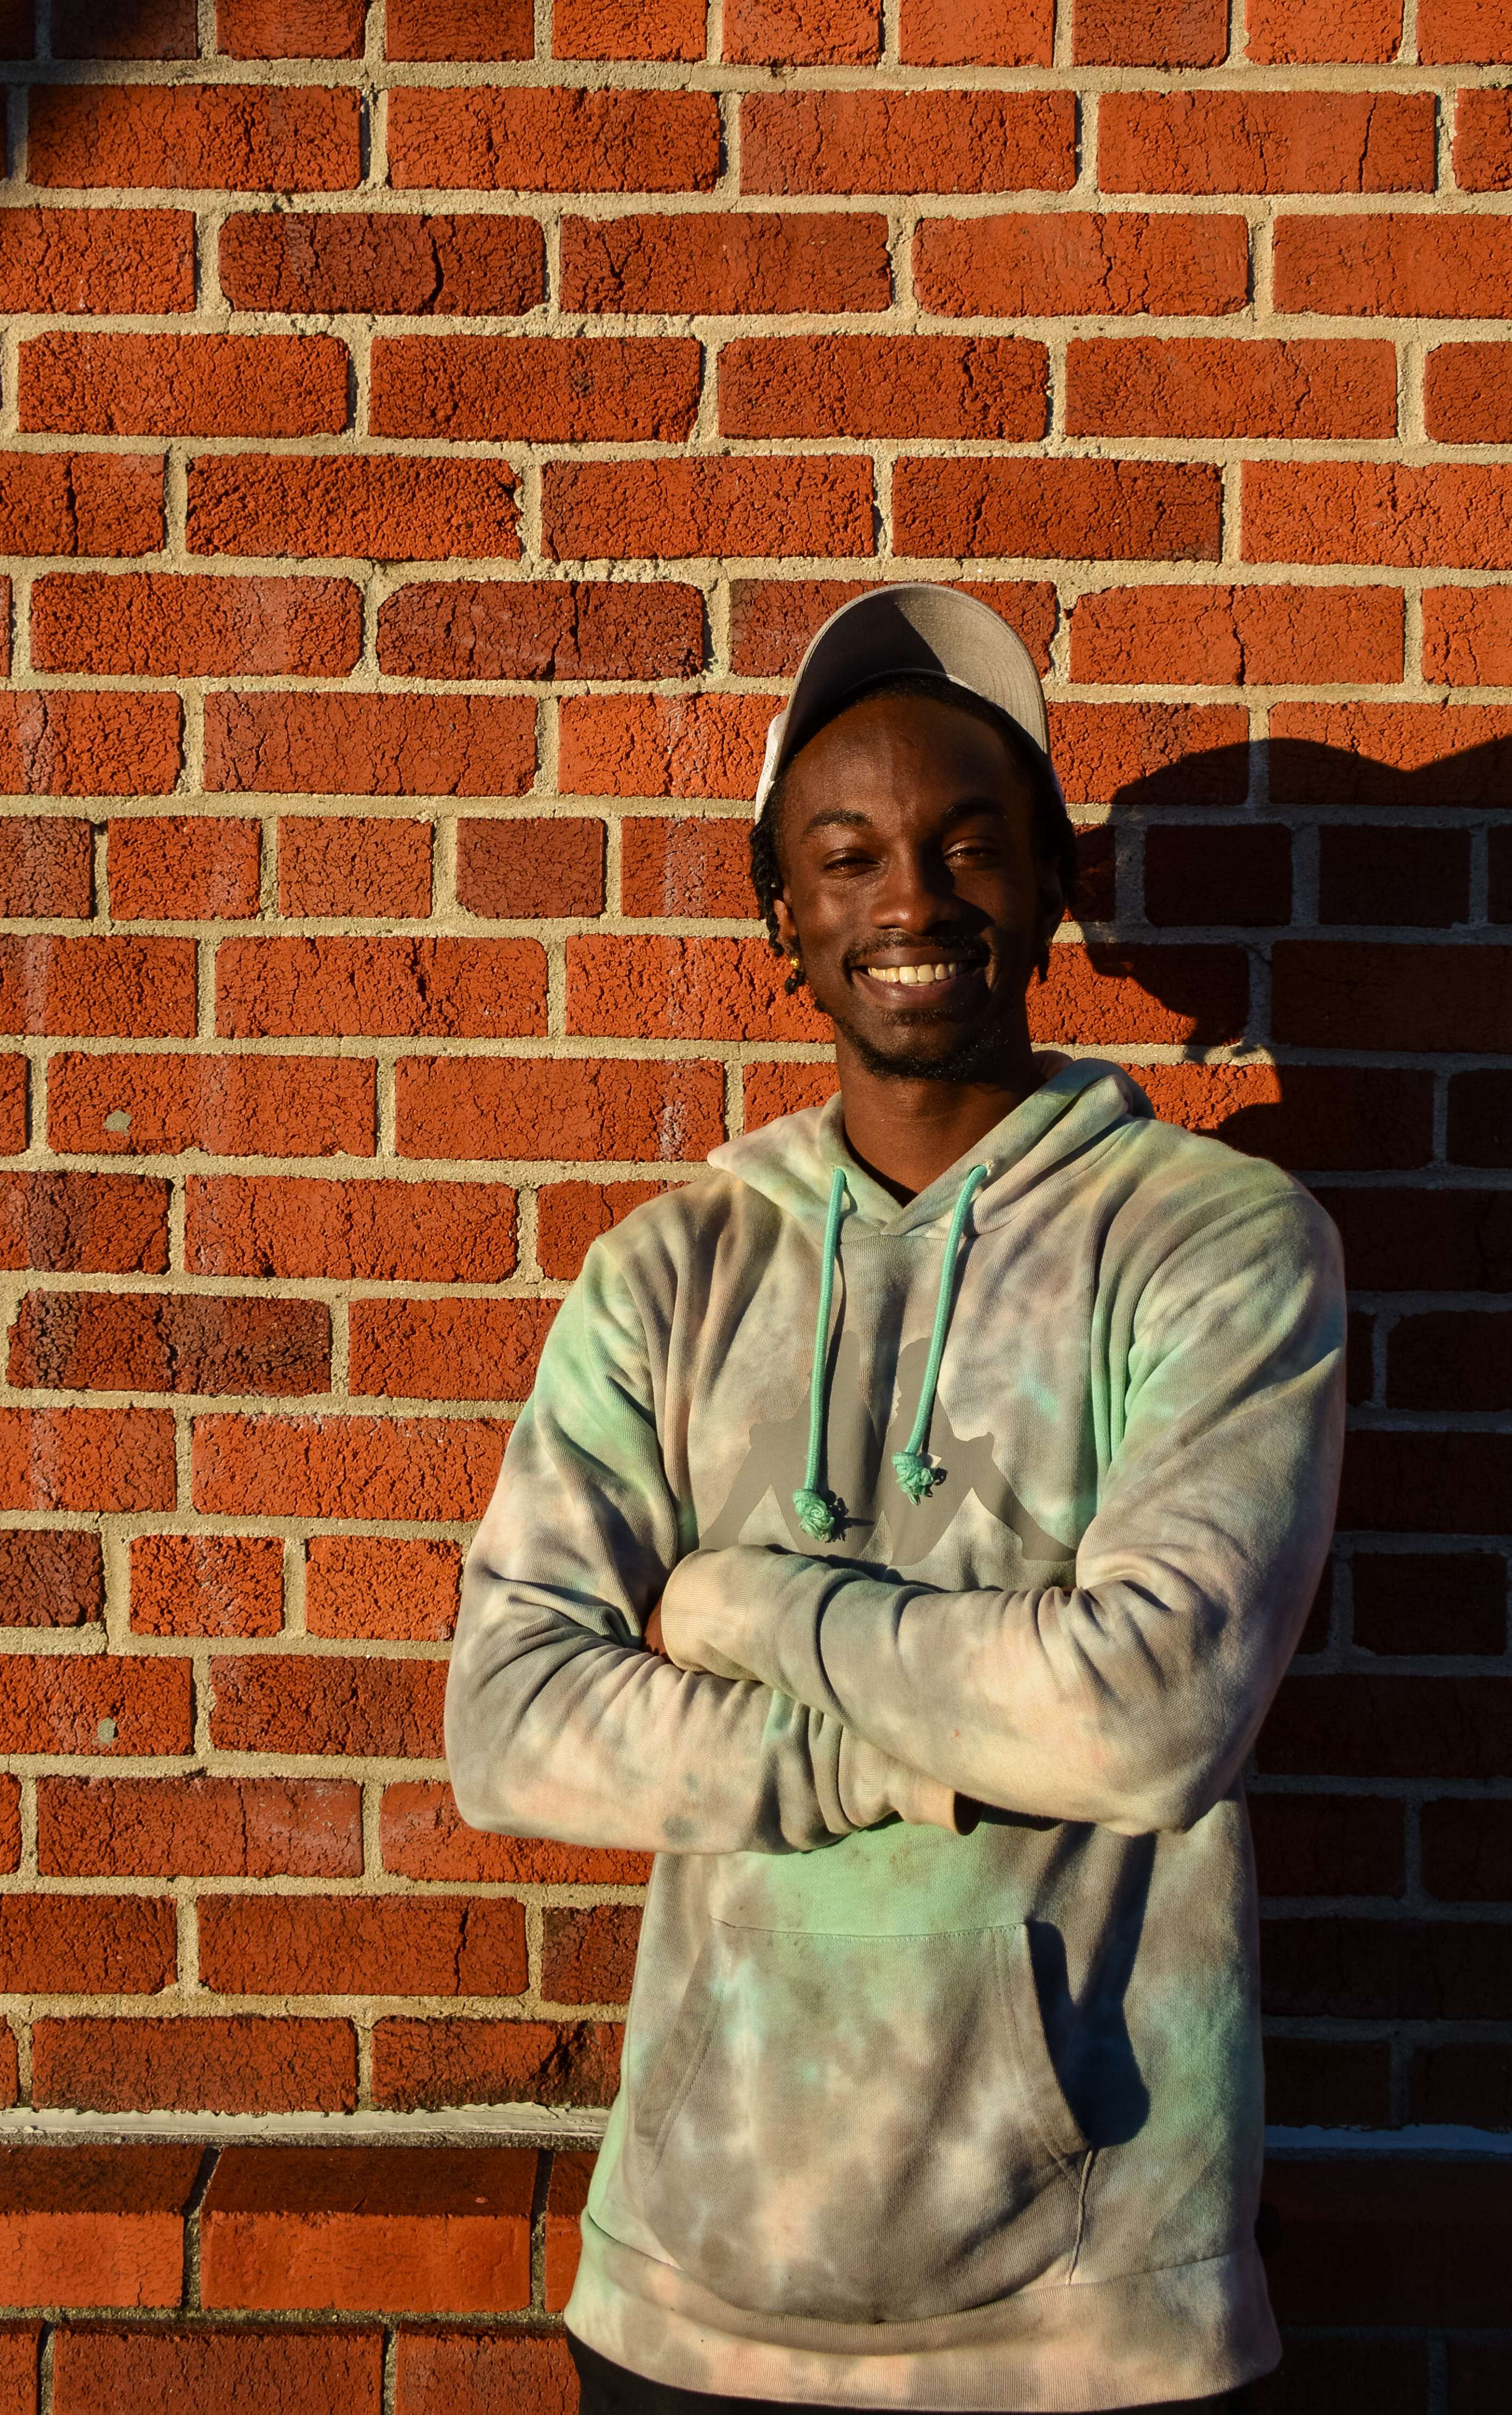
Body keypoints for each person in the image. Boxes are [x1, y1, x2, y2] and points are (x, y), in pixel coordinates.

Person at [445, 585, 1345, 2414]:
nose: (912, 901)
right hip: (696, 2291)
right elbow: (511, 1724)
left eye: (966, 845)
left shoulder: (1216, 1246)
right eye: (844, 857)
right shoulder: (668, 1275)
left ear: (1050, 884)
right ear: (781, 915)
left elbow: (1154, 1708)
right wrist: (883, 1753)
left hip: (1098, 2318)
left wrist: (752, 1611)